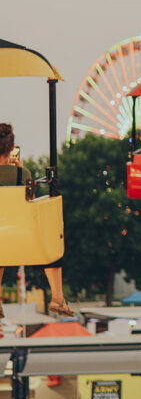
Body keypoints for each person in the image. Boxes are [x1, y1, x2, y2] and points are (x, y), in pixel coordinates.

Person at [0, 122, 73, 318]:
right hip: (24, 240)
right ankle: (57, 298)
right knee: (53, 245)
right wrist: (21, 168)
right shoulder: (22, 174)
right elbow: (29, 201)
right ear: (11, 148)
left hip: (2, 241)